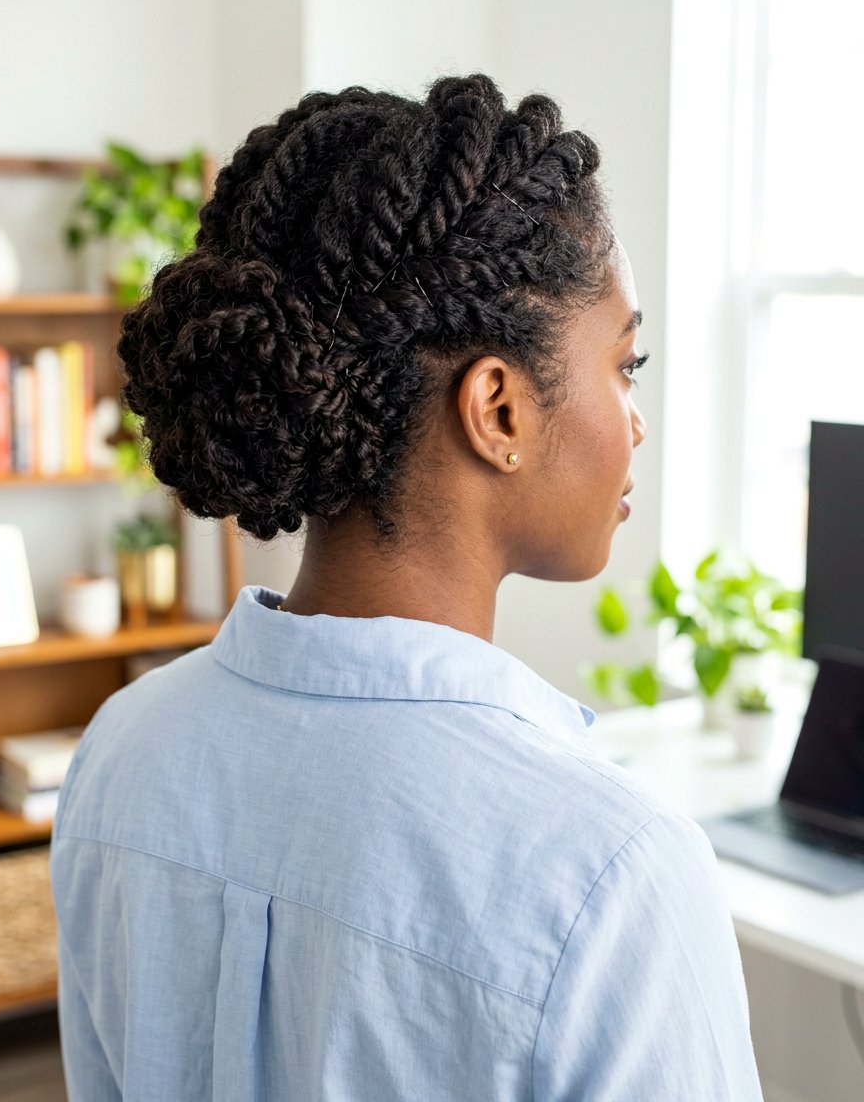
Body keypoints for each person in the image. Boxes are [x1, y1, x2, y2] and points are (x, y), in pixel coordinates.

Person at [50, 73, 764, 1100]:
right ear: (498, 410)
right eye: (625, 361)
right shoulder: (610, 874)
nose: (635, 418)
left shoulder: (121, 750)